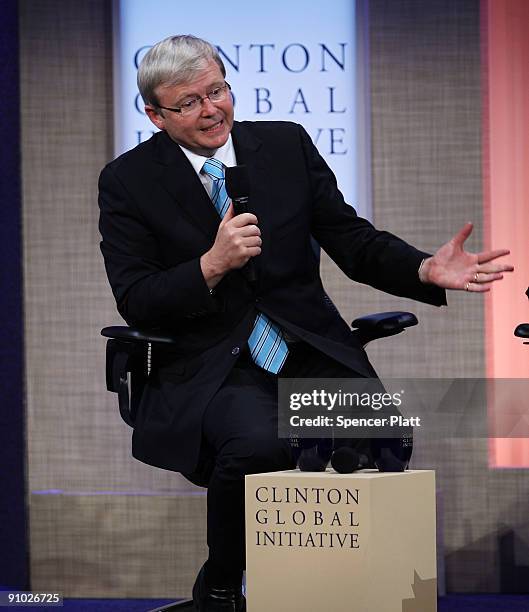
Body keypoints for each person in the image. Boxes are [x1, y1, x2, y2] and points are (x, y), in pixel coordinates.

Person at [98, 35, 513, 611]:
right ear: (155, 114)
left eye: (216, 90)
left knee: (382, 435)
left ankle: (346, 592)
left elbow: (351, 239)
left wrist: (422, 267)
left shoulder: (285, 145)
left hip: (307, 348)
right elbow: (136, 297)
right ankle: (219, 588)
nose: (211, 108)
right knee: (258, 444)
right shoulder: (128, 181)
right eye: (188, 102)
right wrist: (210, 266)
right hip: (214, 362)